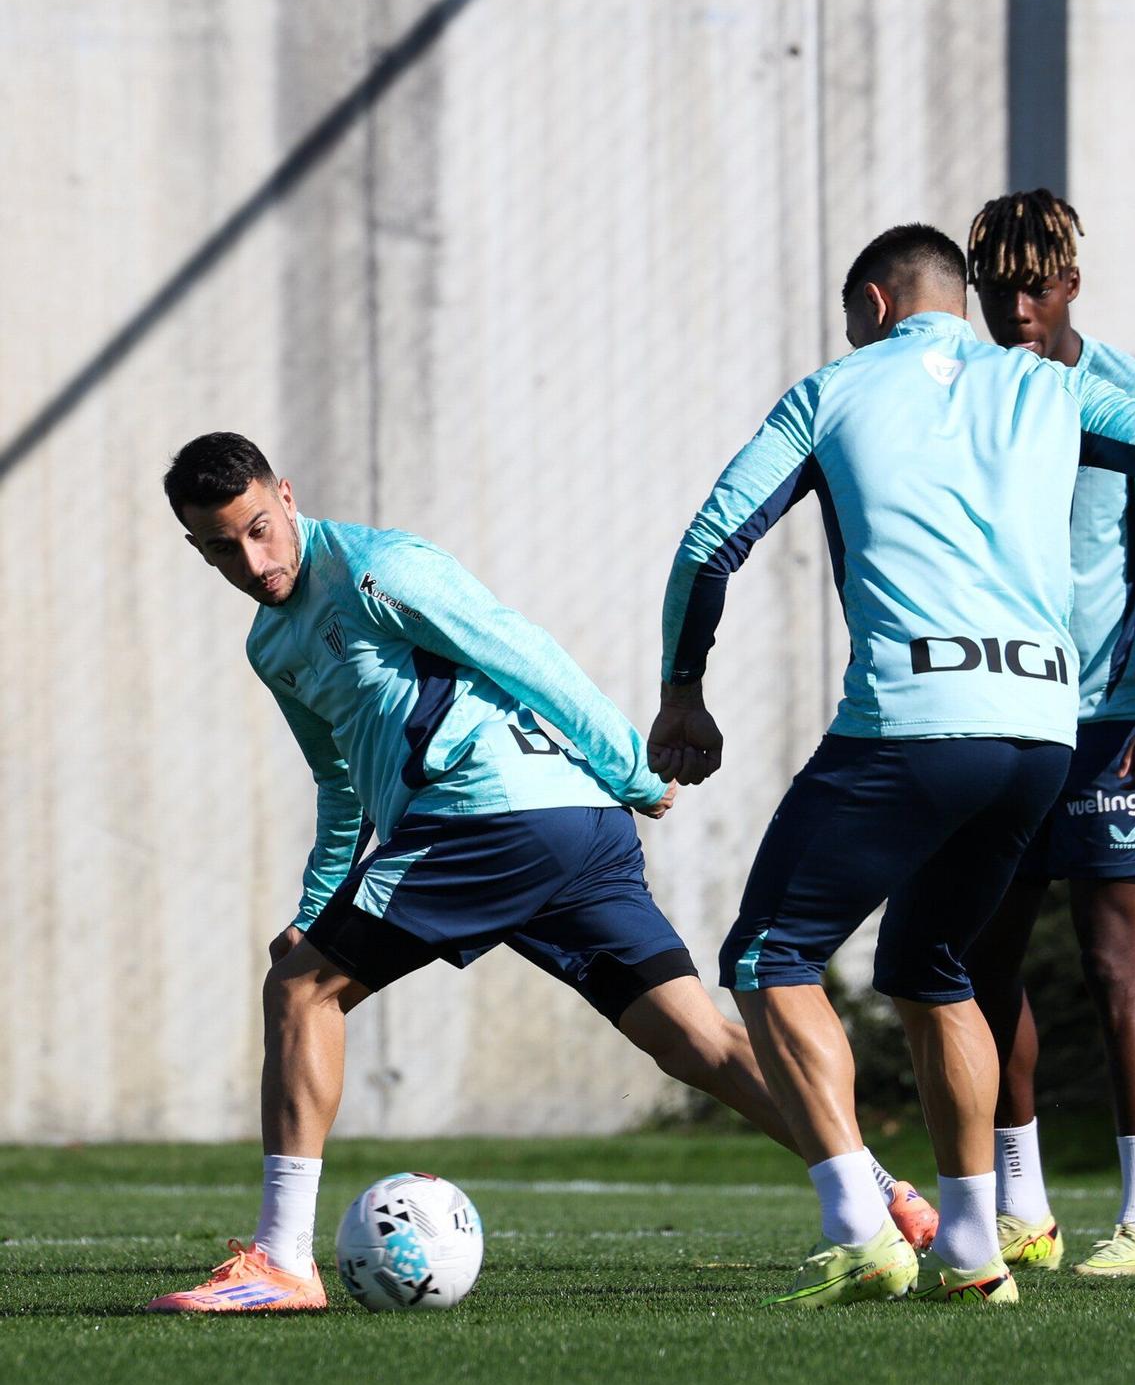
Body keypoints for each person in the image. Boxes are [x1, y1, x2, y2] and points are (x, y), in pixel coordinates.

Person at [648, 224, 1135, 1306]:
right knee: (930, 968)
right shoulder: (1051, 387)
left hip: (910, 721)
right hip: (1043, 734)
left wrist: (684, 686)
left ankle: (859, 1223)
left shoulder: (833, 390)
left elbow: (708, 541)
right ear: (959, 300)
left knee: (771, 954)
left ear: (870, 304)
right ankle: (970, 1248)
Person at [146, 433, 933, 1313]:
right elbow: (339, 781)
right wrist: (317, 902)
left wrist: (632, 767)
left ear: (286, 496)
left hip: (494, 817)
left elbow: (519, 650)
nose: (251, 561)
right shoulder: (272, 646)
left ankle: (282, 1258)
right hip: (559, 834)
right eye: (222, 547)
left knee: (300, 993)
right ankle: (879, 1191)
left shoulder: (380, 567)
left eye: (259, 529)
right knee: (694, 1040)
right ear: (196, 546)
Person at [960, 189, 1135, 1278]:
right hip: (995, 713)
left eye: (1036, 283)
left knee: (1115, 967)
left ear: (1071, 281)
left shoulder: (1127, 398)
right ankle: (1024, 1208)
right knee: (981, 960)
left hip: (1110, 720)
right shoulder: (962, 397)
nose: (1018, 306)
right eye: (997, 288)